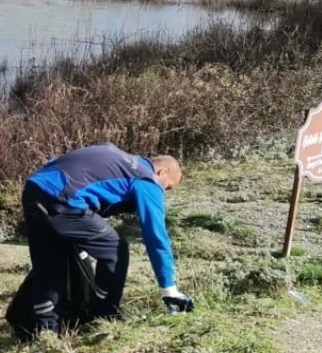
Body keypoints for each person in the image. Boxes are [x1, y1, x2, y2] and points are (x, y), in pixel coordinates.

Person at [22, 143, 194, 335]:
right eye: (168, 187)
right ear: (163, 171)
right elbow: (156, 235)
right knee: (115, 248)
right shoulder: (147, 179)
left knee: (50, 263)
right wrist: (168, 288)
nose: (164, 192)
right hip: (64, 201)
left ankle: (46, 330)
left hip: (34, 189)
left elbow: (59, 163)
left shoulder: (114, 154)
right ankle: (104, 314)